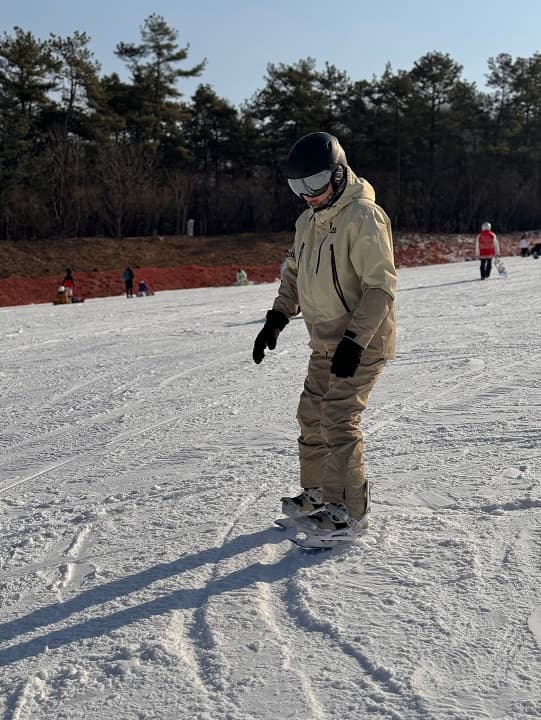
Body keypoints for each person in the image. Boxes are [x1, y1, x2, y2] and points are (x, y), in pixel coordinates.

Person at [252, 131, 396, 544]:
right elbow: (294, 274)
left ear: (338, 172)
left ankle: (349, 513)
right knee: (311, 414)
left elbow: (380, 287)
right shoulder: (307, 221)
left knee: (338, 418)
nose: (309, 196)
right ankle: (318, 495)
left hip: (361, 341)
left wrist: (355, 341)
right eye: (299, 188)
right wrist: (277, 317)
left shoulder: (364, 216)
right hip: (324, 341)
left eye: (315, 185)